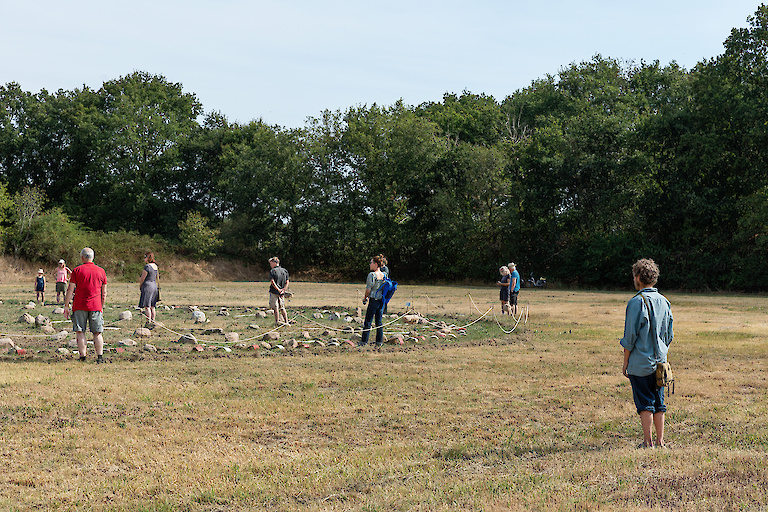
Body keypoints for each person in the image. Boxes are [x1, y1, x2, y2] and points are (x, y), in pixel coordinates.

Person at [620, 258, 674, 449]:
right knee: (659, 403)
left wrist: (625, 363)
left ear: (637, 278)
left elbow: (630, 337)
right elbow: (669, 334)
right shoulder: (665, 302)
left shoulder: (636, 302)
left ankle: (647, 442)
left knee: (645, 403)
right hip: (661, 364)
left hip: (641, 363)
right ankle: (660, 441)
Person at [64, 247, 108, 364]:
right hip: (96, 305)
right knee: (97, 332)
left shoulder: (77, 271)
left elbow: (70, 289)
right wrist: (101, 306)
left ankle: (83, 357)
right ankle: (100, 357)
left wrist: (66, 305)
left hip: (79, 305)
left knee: (80, 332)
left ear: (82, 257)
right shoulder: (101, 271)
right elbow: (104, 292)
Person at [361, 254, 387, 346]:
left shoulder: (372, 275)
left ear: (376, 264)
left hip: (373, 300)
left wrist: (365, 298)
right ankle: (379, 342)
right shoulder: (384, 274)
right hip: (381, 301)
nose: (370, 264)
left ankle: (364, 342)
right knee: (378, 322)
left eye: (371, 263)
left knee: (368, 321)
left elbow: (368, 289)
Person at [138, 252, 159, 329]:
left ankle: (148, 322)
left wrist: (140, 286)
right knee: (152, 306)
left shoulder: (147, 267)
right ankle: (153, 320)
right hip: (154, 285)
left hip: (148, 286)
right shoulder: (155, 266)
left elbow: (142, 278)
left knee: (147, 306)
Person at [268, 256, 289, 326]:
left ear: (274, 263)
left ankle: (277, 322)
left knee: (275, 307)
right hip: (281, 293)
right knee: (282, 307)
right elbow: (287, 282)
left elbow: (272, 282)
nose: (270, 265)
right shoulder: (285, 270)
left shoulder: (272, 271)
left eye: (271, 263)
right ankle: (286, 322)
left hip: (274, 292)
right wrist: (283, 290)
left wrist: (278, 289)